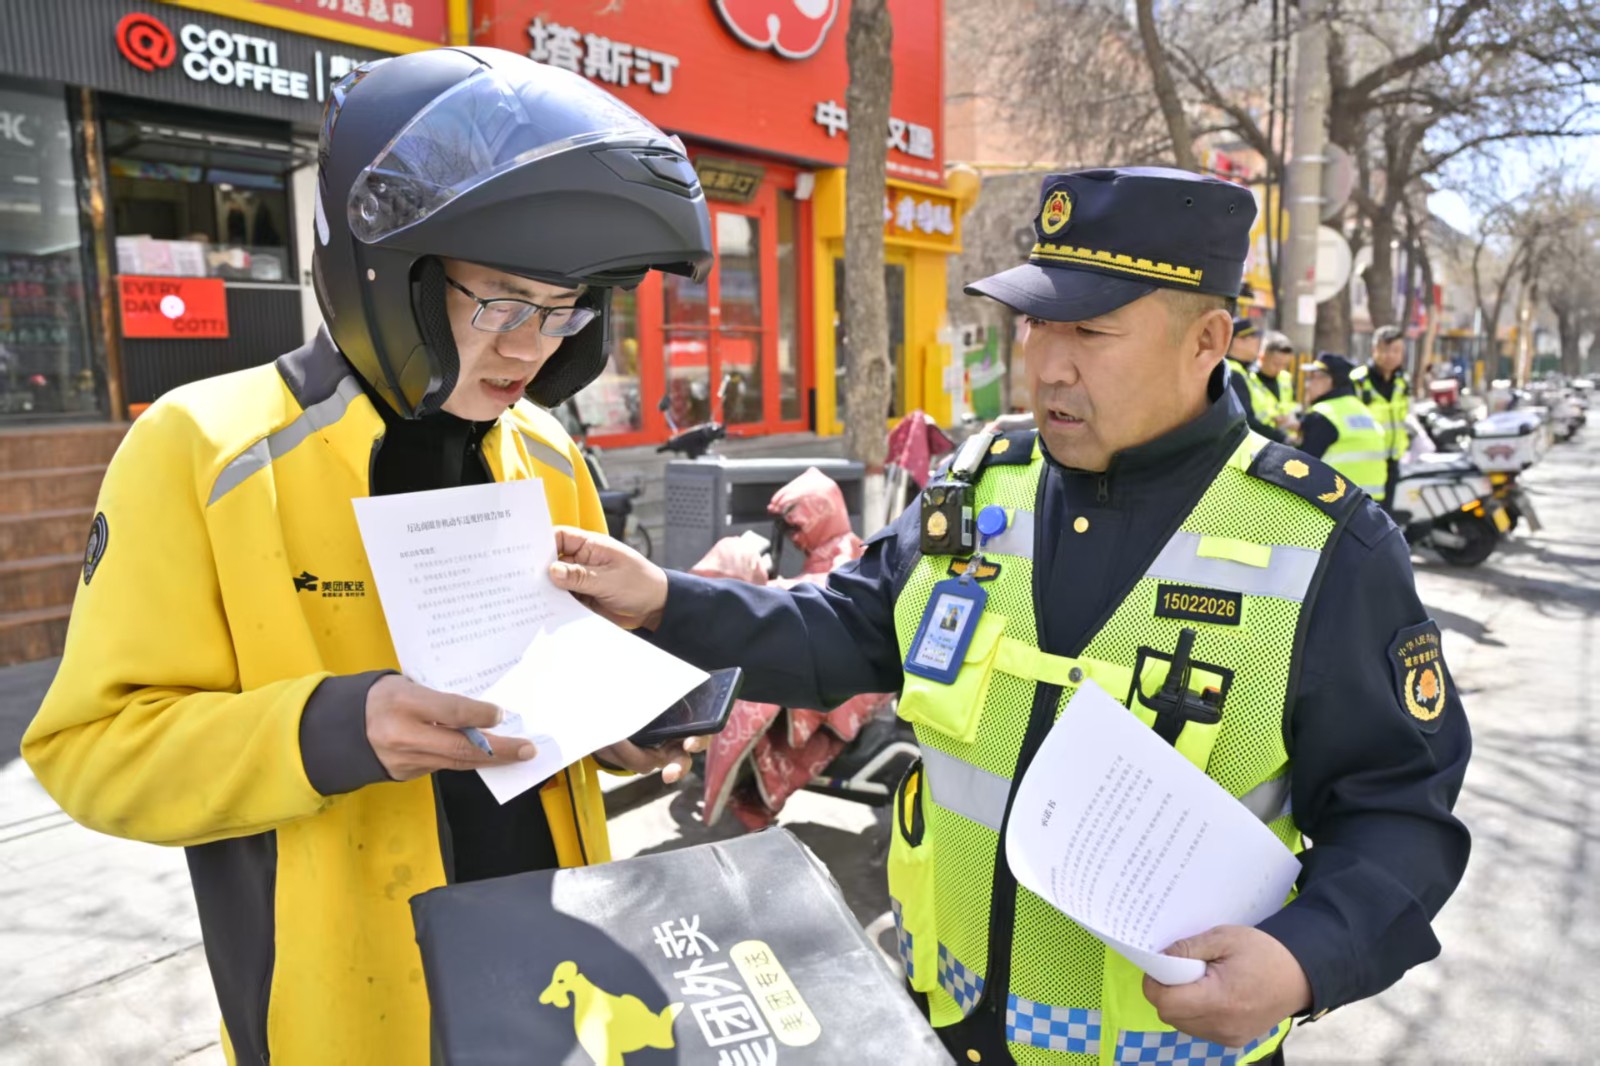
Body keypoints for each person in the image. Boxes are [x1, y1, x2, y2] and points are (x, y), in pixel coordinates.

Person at [549, 167, 1470, 1066]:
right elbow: (849, 632)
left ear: (1209, 340)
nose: (1047, 364)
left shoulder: (1321, 547)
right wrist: (665, 599)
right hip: (940, 1016)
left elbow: (1399, 813)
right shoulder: (985, 486)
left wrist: (1307, 958)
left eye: (1092, 332)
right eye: (1035, 324)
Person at [21, 49, 711, 1066]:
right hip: (341, 1021)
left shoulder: (548, 452)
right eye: (503, 303)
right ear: (392, 276)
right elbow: (89, 750)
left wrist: (611, 736)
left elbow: (542, 696)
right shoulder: (204, 450)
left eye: (564, 310)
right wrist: (329, 729)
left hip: (553, 983)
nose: (531, 348)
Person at [1299, 353, 1391, 503]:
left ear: (1329, 380)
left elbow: (1300, 467)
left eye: (1313, 377)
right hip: (1372, 506)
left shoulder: (1323, 415)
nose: (1308, 384)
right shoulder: (1361, 409)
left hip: (1336, 505)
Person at [1352, 325, 1411, 508]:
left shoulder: (1402, 382)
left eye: (1396, 351)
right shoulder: (1358, 380)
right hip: (1364, 462)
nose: (1390, 356)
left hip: (1391, 460)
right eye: (1385, 350)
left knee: (1386, 517)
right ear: (1374, 350)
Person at [1223, 315, 1288, 442]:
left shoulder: (1242, 370)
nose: (1258, 341)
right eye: (1254, 337)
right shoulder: (1232, 372)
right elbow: (1245, 419)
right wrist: (1281, 438)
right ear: (1237, 341)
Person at [1253, 330, 1299, 437]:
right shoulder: (1248, 378)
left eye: (1285, 364)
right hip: (1259, 437)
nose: (1280, 369)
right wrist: (1274, 419)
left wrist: (1291, 418)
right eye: (1276, 364)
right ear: (1262, 357)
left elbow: (1290, 404)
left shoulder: (1285, 378)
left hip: (1282, 438)